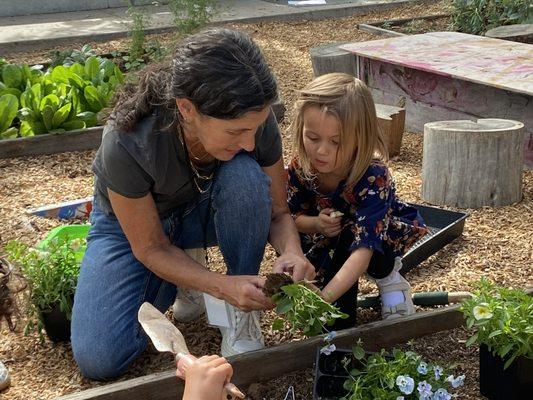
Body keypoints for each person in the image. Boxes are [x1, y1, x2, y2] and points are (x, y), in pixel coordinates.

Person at [71, 28, 315, 381]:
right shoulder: (127, 141)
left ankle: (239, 313)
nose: (250, 142)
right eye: (235, 132)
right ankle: (192, 275)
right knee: (100, 357)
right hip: (137, 229)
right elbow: (150, 245)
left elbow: (278, 211)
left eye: (255, 129)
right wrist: (216, 285)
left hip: (206, 204)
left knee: (246, 177)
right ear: (187, 109)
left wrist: (292, 251)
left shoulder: (253, 121)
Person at [287, 73, 428, 330]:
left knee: (372, 248)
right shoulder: (300, 166)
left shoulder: (374, 176)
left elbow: (363, 249)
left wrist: (324, 299)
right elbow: (290, 218)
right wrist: (316, 224)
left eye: (336, 142)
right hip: (329, 237)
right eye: (313, 137)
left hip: (373, 236)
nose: (321, 150)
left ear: (359, 138)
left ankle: (390, 279)